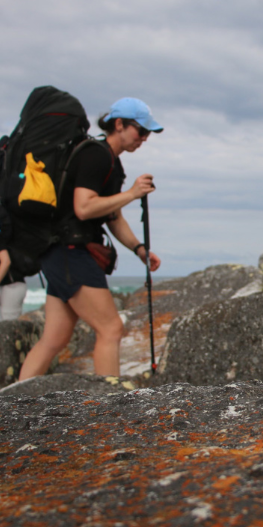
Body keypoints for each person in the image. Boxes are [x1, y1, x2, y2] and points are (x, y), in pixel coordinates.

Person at [18, 97, 162, 380]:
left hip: (61, 252)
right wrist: (132, 193)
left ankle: (11, 404)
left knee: (55, 338)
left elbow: (113, 216)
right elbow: (83, 208)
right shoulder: (95, 154)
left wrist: (139, 248)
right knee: (111, 328)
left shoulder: (111, 163)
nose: (143, 139)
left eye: (147, 134)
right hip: (70, 251)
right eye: (140, 131)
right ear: (118, 125)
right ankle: (110, 406)